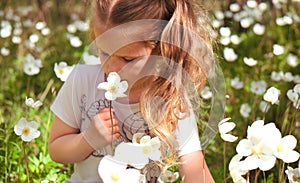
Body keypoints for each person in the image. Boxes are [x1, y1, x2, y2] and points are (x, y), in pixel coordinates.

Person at [48, 0, 216, 182]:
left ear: (164, 51)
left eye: (128, 59)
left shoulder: (171, 98)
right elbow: (56, 150)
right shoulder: (82, 81)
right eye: (104, 52)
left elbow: (194, 170)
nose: (111, 67)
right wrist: (88, 139)